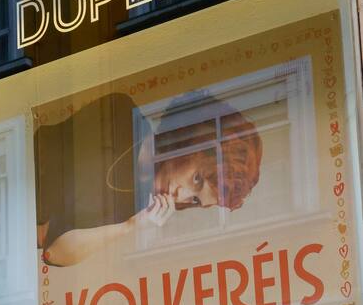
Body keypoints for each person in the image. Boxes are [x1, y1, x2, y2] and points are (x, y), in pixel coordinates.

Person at [34, 90, 263, 266]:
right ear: (192, 142)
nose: (181, 196)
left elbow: (53, 252)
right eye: (196, 180)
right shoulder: (120, 113)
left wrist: (129, 226)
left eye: (195, 200)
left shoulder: (138, 210)